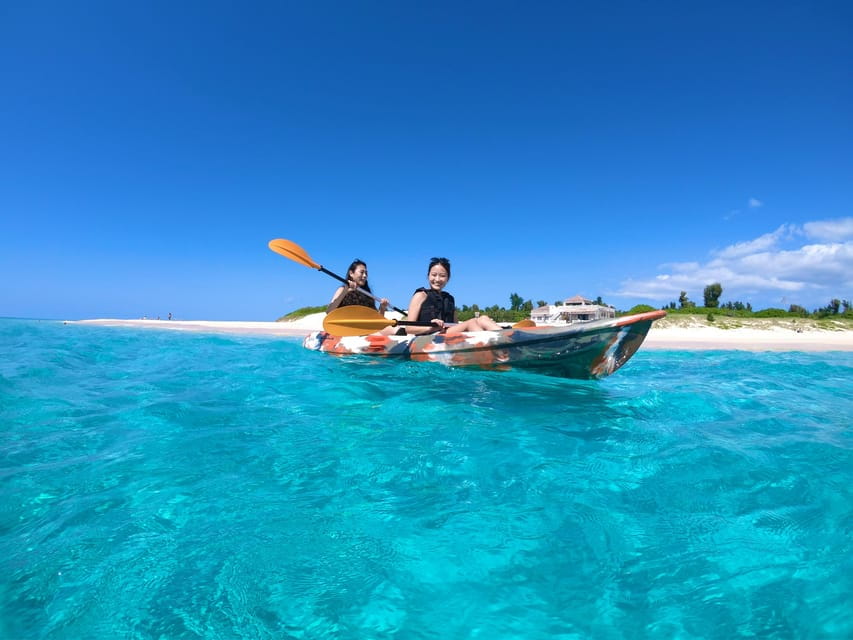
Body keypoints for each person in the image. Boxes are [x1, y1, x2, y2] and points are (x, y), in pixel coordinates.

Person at [403, 257, 501, 335]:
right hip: (429, 336)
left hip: (446, 334)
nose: (437, 279)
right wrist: (431, 327)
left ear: (448, 278)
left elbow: (455, 325)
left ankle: (507, 338)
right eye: (434, 275)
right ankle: (489, 348)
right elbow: (409, 328)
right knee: (471, 322)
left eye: (442, 276)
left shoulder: (449, 299)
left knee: (483, 318)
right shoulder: (420, 296)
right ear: (428, 275)